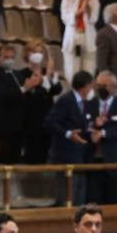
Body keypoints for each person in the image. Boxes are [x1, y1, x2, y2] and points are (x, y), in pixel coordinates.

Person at [45, 69, 95, 206]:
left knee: (79, 199)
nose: (92, 89)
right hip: (64, 156)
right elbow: (50, 121)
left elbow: (81, 126)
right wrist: (67, 134)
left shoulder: (85, 103)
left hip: (80, 157)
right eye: (91, 85)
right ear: (85, 85)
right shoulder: (66, 100)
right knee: (67, 198)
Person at [86, 70, 117, 205]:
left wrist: (103, 133)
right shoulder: (90, 103)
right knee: (94, 198)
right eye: (98, 85)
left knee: (114, 198)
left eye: (104, 86)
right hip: (93, 158)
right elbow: (84, 124)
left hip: (113, 158)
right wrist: (93, 127)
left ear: (113, 87)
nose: (100, 89)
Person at [0, 44, 35, 164]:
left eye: (11, 57)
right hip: (4, 124)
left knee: (17, 158)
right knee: (5, 158)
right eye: (6, 57)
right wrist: (24, 89)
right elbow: (0, 95)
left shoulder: (17, 74)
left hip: (19, 123)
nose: (9, 60)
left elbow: (26, 92)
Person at [19, 39, 62, 165]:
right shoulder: (22, 74)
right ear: (27, 54)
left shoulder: (47, 74)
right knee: (33, 158)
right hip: (31, 122)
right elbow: (34, 94)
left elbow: (56, 89)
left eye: (40, 52)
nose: (37, 55)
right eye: (34, 52)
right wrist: (42, 83)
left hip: (47, 120)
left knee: (48, 157)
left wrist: (49, 77)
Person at [61, 0, 99, 84]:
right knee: (72, 70)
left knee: (89, 69)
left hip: (88, 37)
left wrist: (87, 3)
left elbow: (94, 19)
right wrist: (80, 8)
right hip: (72, 37)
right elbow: (66, 19)